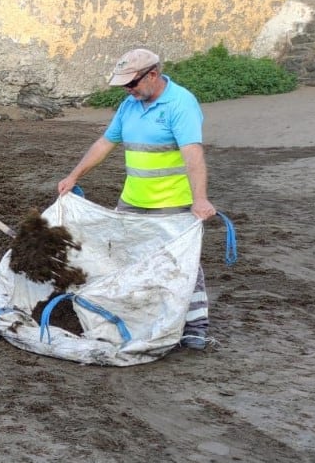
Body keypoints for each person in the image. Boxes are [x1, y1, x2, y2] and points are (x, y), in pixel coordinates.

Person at [56, 48, 217, 349]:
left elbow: (193, 154)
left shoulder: (180, 104)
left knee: (182, 263)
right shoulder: (129, 105)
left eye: (132, 84)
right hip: (132, 201)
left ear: (153, 74)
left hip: (173, 204)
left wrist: (200, 199)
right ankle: (139, 315)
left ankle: (196, 326)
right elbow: (105, 143)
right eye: (124, 86)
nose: (128, 90)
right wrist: (74, 175)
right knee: (126, 257)